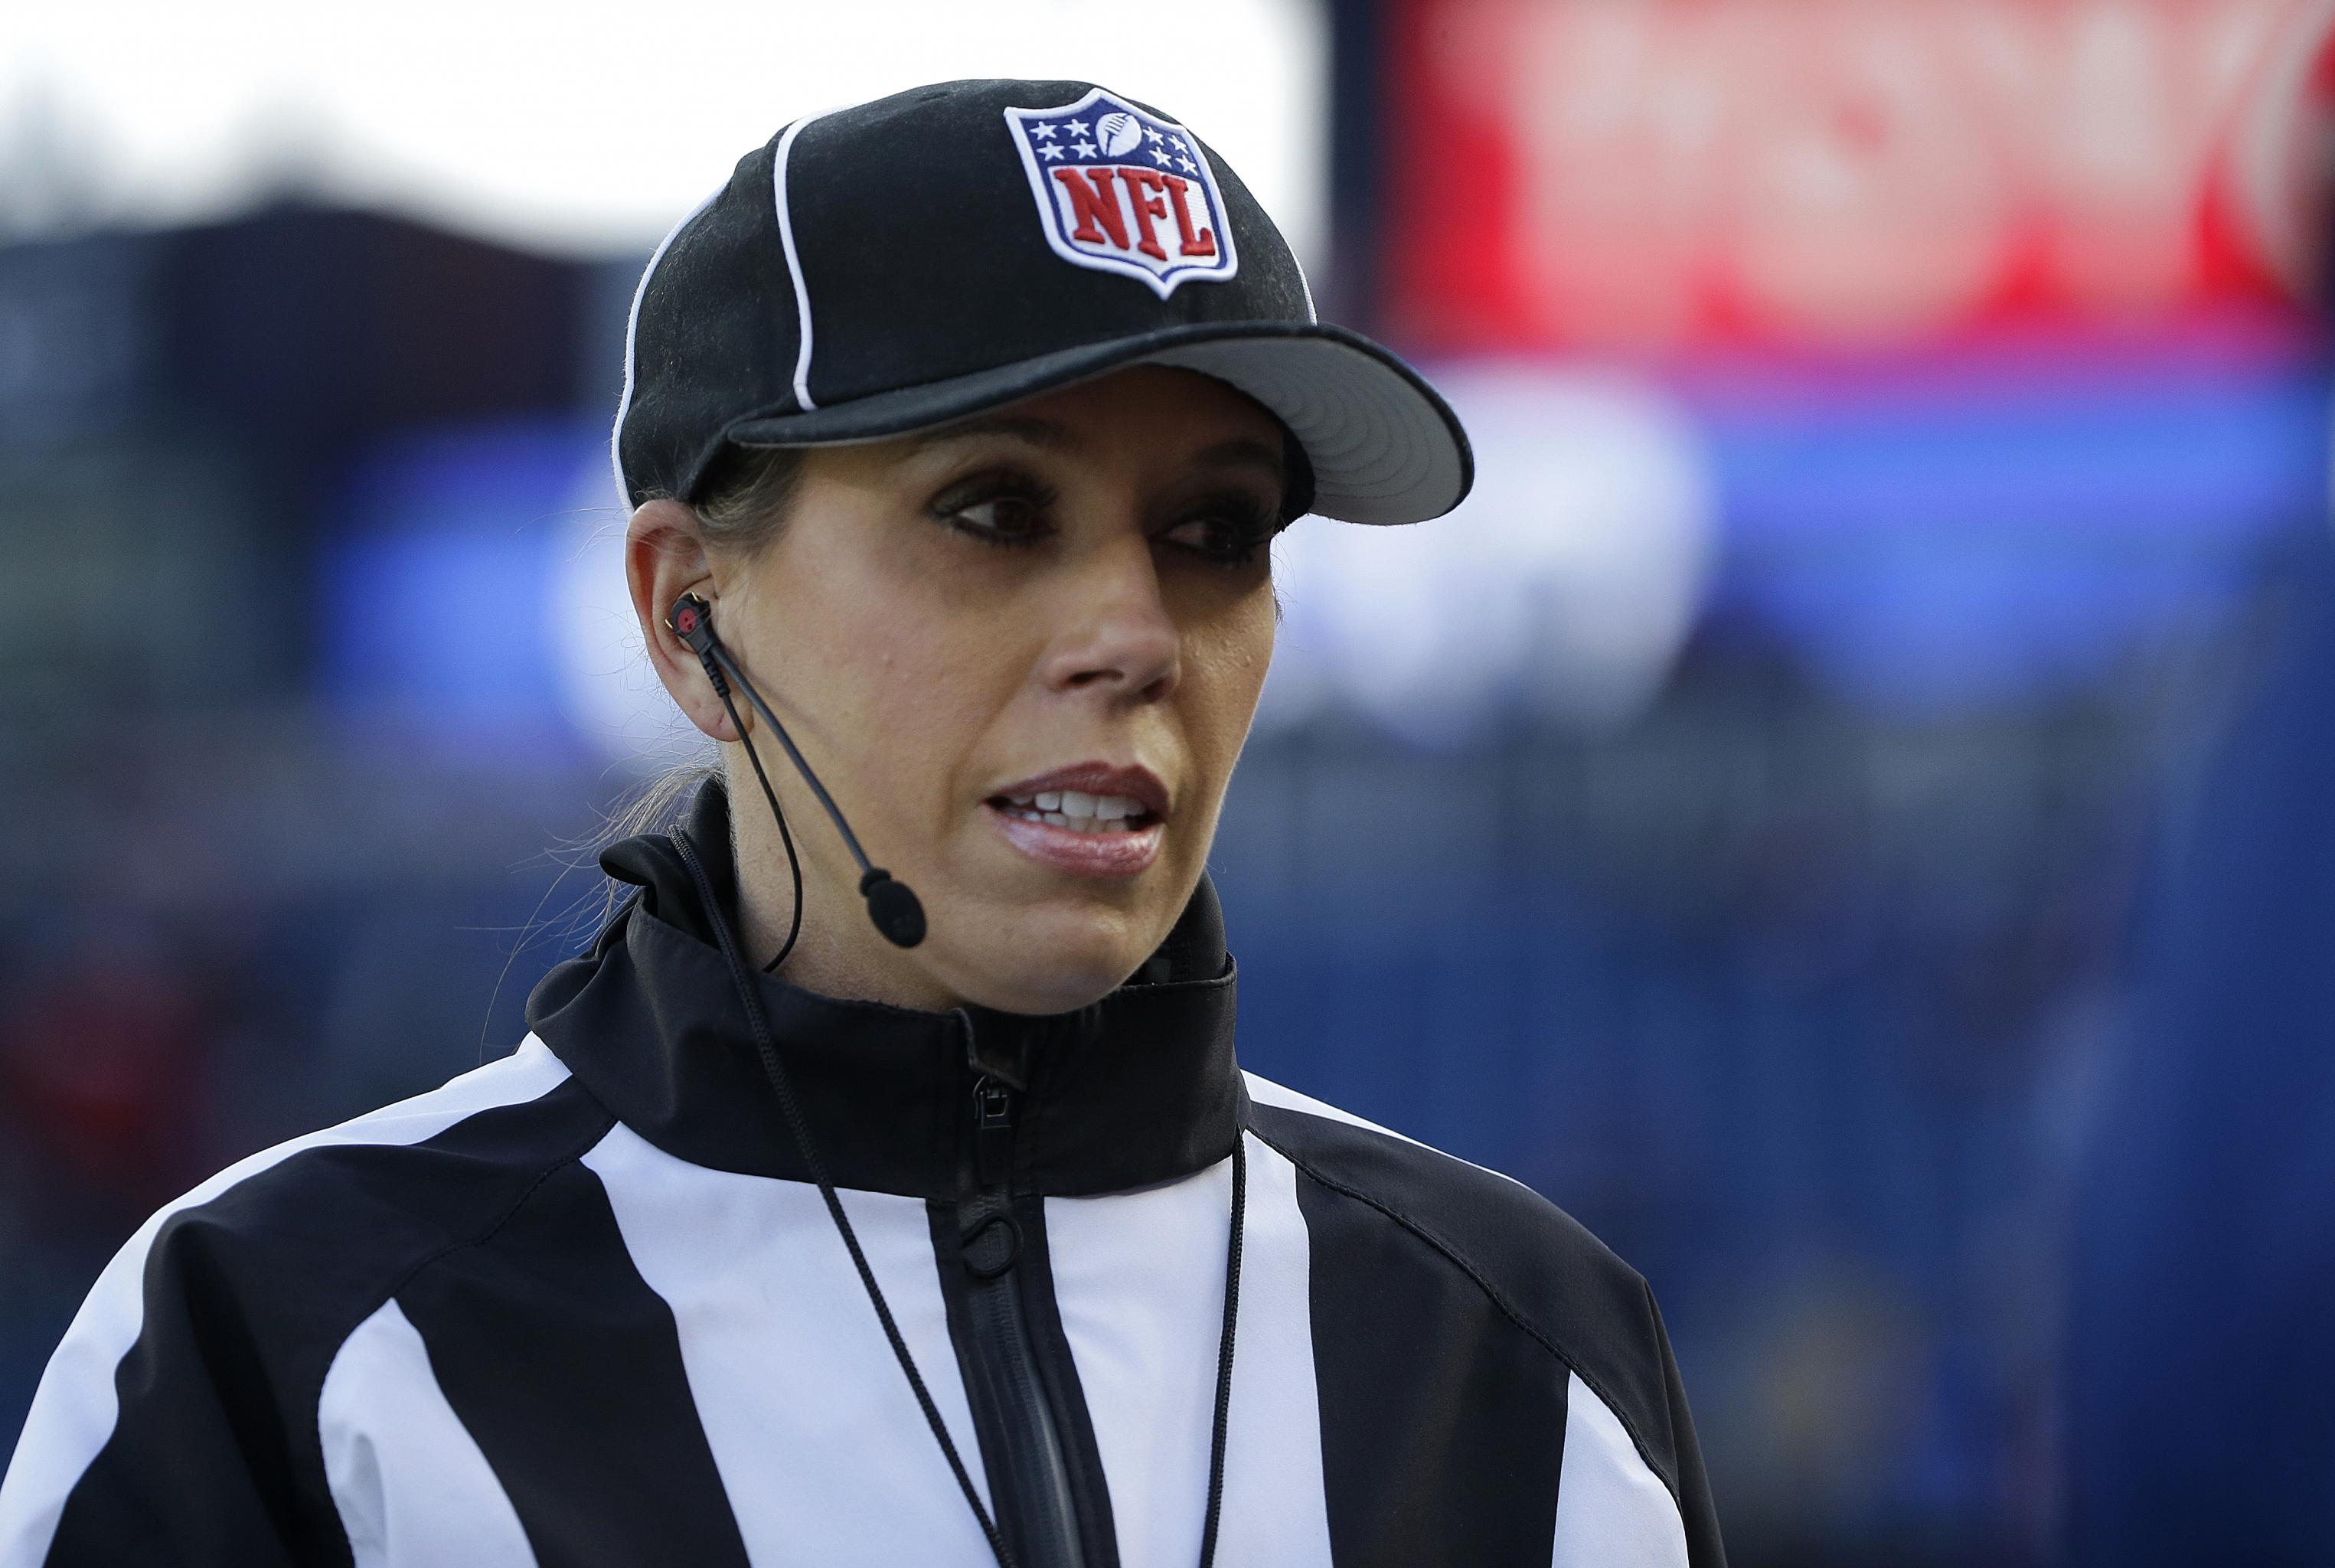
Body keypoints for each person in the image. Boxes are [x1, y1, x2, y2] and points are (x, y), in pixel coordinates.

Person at [0, 80, 1723, 1567]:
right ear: (692, 616)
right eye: (996, 508)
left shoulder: (1517, 1354)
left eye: (1217, 531)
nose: (1135, 632)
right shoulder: (276, 1345)